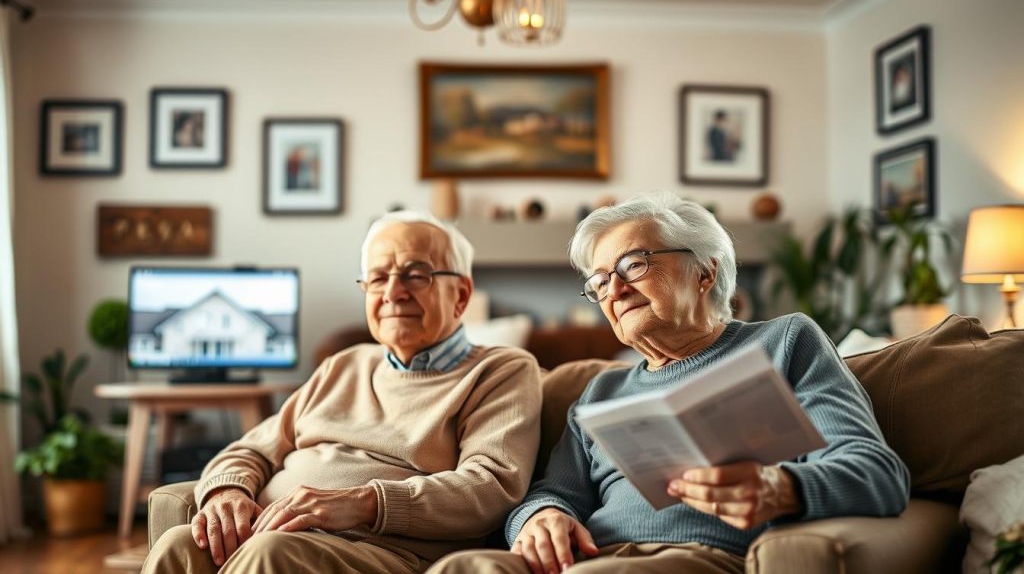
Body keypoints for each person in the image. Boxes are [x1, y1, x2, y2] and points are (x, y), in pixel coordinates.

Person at [429, 192, 909, 574]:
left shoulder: (785, 342)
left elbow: (878, 473)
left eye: (633, 265)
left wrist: (783, 487)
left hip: (703, 557)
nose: (613, 291)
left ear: (705, 271)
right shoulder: (600, 393)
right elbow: (551, 491)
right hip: (594, 555)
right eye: (599, 282)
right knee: (464, 567)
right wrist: (540, 517)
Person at [142, 210, 542, 574]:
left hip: (389, 552)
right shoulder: (345, 364)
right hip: (278, 531)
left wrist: (361, 503)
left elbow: (490, 486)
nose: (393, 292)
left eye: (416, 274)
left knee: (270, 553)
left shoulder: (500, 370)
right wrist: (228, 491)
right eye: (379, 278)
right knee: (180, 545)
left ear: (461, 295)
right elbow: (252, 449)